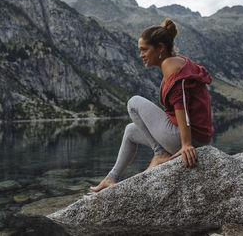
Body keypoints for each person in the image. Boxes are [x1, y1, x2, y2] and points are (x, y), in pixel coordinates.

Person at [90, 18, 214, 192]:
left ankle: (160, 154)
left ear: (161, 48)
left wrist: (186, 144)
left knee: (133, 103)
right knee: (131, 130)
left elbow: (182, 105)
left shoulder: (170, 65)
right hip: (192, 136)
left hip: (189, 138)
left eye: (144, 50)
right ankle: (111, 178)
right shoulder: (176, 62)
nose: (141, 55)